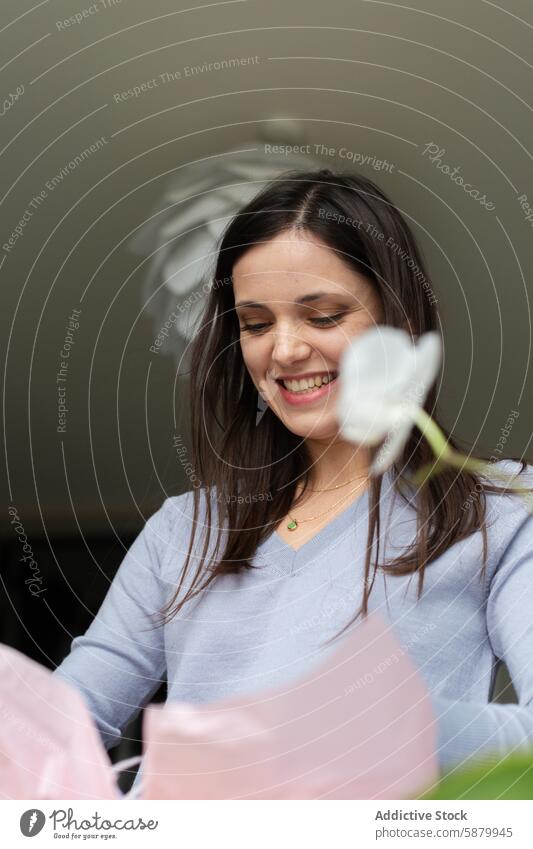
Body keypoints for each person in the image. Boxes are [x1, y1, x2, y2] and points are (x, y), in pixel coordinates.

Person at [54, 168, 533, 787]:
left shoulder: (497, 512)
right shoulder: (186, 530)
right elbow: (62, 726)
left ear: (399, 316)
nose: (283, 351)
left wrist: (389, 726)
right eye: (255, 325)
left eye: (324, 316)